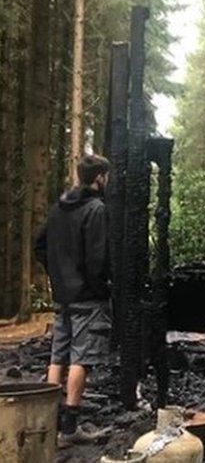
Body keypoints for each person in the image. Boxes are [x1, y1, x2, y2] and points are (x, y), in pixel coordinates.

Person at [34, 154, 112, 439]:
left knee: (59, 355)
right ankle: (69, 429)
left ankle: (48, 424)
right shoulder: (96, 209)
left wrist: (58, 271)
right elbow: (97, 259)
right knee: (81, 358)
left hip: (63, 296)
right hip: (87, 297)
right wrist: (101, 288)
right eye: (107, 177)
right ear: (100, 178)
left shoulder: (59, 207)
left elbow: (39, 245)